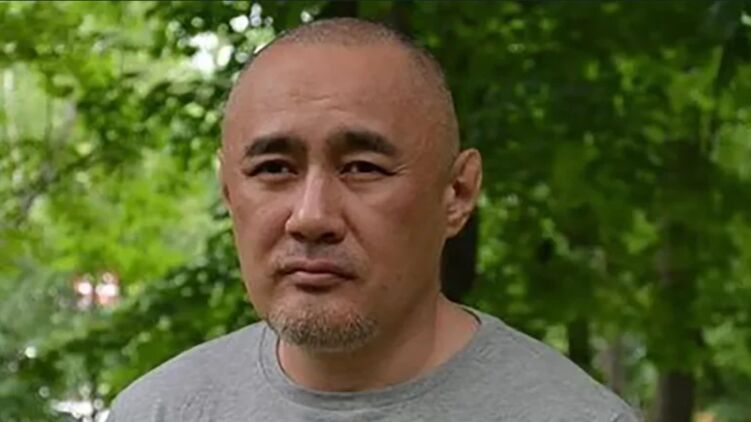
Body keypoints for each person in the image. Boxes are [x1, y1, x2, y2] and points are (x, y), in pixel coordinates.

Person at [107, 17, 638, 421]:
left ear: (457, 194)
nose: (311, 217)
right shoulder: (159, 411)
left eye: (362, 168)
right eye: (274, 169)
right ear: (229, 192)